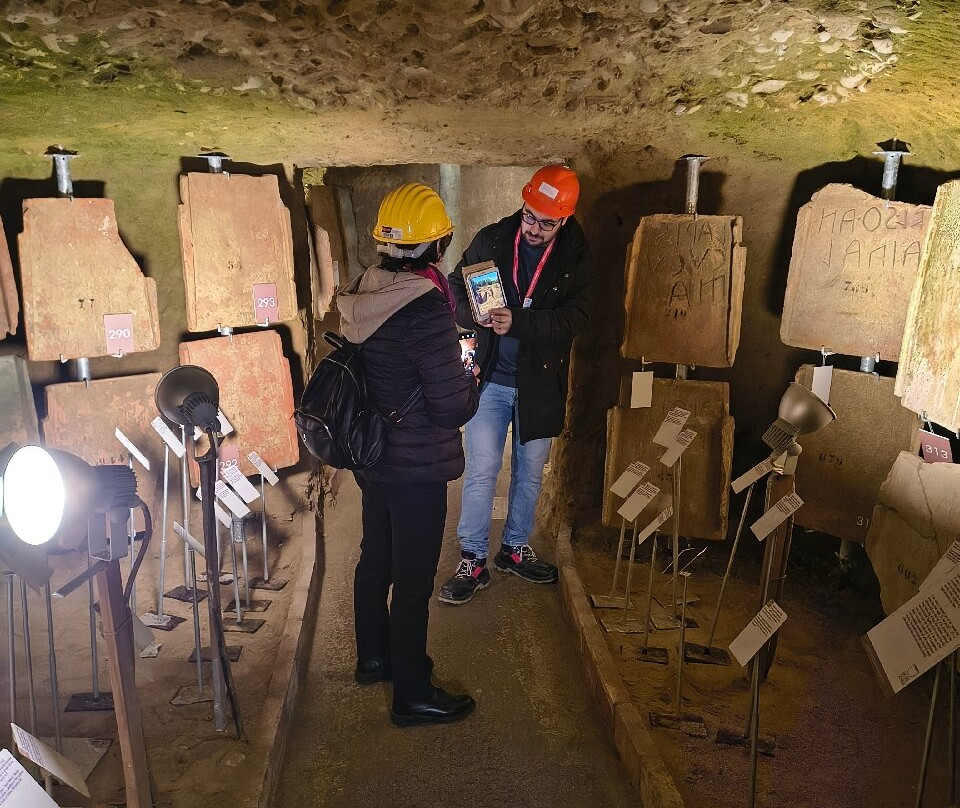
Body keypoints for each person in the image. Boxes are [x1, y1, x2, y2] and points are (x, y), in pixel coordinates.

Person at [336, 183, 480, 725]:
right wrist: (472, 378)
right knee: (414, 578)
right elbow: (450, 408)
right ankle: (412, 693)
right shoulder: (425, 310)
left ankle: (374, 658)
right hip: (417, 463)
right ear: (437, 246)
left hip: (374, 454)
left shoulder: (363, 292)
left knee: (376, 558)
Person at [440, 165, 592, 605]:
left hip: (540, 383)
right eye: (530, 216)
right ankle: (472, 558)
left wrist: (521, 321)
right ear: (523, 204)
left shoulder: (574, 255)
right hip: (490, 381)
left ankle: (514, 549)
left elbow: (578, 317)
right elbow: (454, 289)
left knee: (528, 476)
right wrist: (477, 315)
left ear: (564, 220)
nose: (535, 229)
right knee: (482, 472)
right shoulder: (491, 239)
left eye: (547, 223)